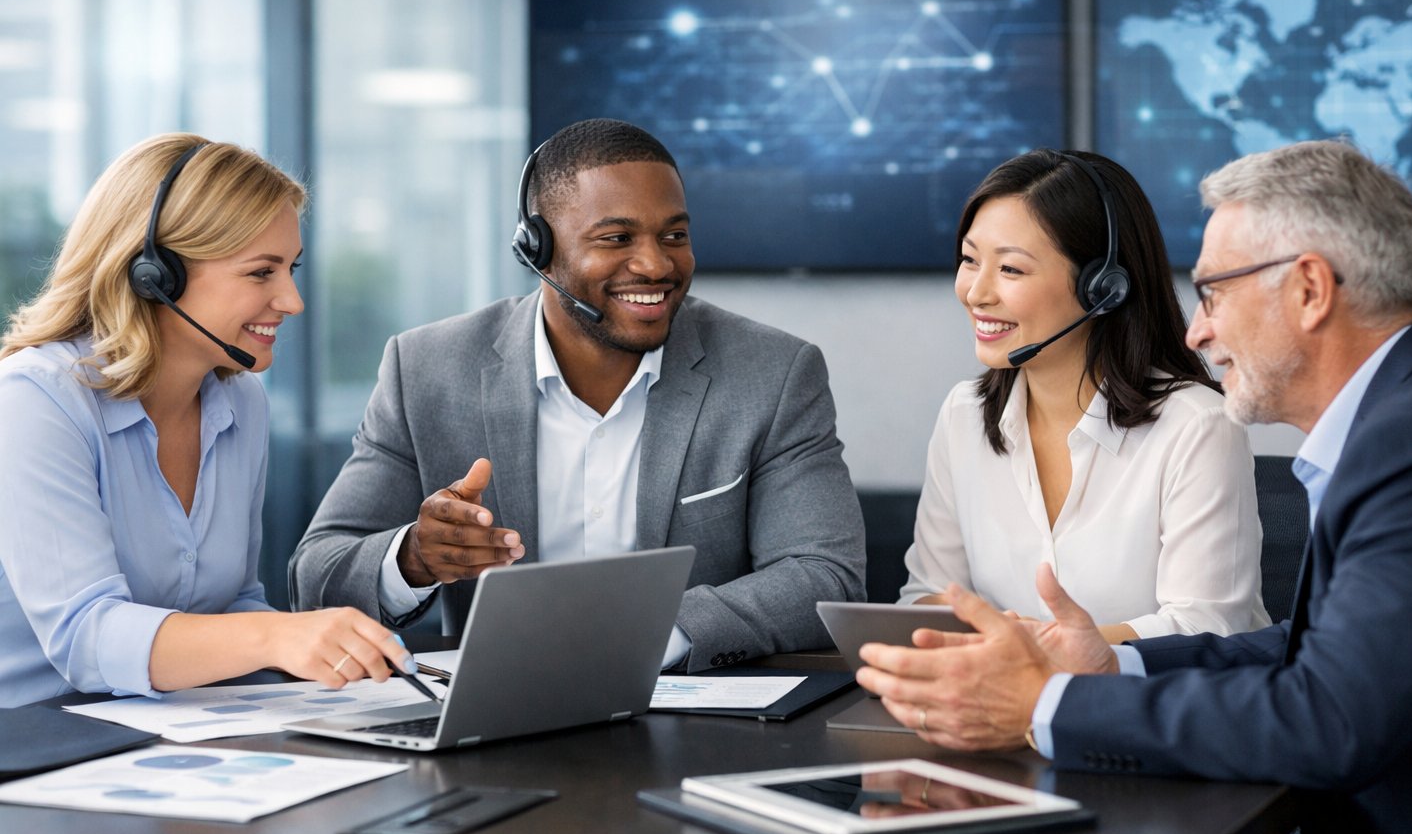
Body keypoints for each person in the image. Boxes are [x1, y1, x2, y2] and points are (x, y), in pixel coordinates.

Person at [857, 140, 1412, 834]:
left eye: (1213, 292)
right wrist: (1112, 665)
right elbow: (1308, 646)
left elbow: (1329, 720)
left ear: (1309, 289)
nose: (1196, 330)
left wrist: (1045, 705)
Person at [289, 118, 864, 671]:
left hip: (692, 710)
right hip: (499, 713)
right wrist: (414, 558)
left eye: (674, 236)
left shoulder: (774, 372)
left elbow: (824, 575)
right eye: (617, 238)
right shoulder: (427, 370)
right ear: (537, 248)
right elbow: (315, 577)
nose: (656, 264)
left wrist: (641, 638)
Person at [0, 134, 415, 708]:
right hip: (40, 740)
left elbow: (232, 606)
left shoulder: (241, 403)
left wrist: (327, 672)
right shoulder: (36, 400)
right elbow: (86, 638)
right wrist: (277, 636)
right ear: (154, 275)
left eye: (290, 268)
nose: (292, 300)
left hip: (176, 737)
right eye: (261, 272)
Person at [902, 150, 1267, 641]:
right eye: (970, 260)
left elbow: (1204, 627)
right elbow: (928, 593)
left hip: (1159, 691)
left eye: (1010, 269)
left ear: (1103, 289)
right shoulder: (963, 415)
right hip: (1003, 689)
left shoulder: (1197, 426)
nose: (976, 293)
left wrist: (1036, 647)